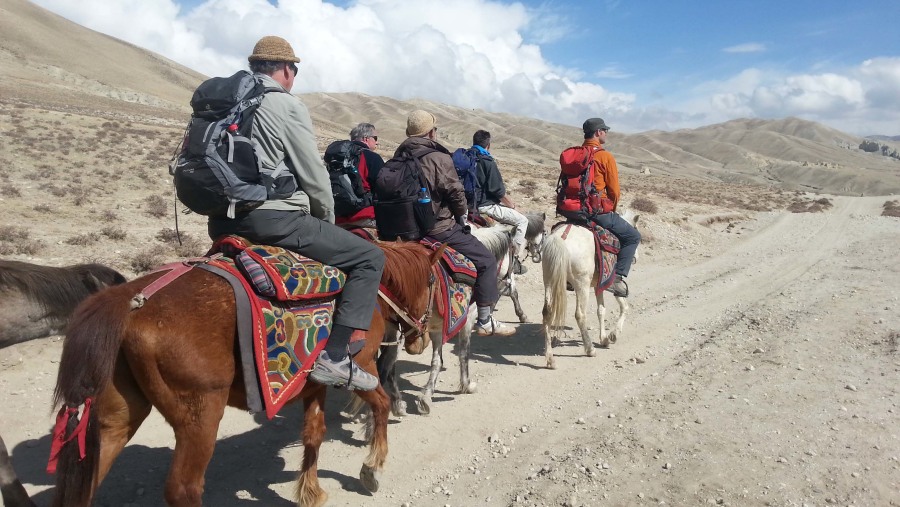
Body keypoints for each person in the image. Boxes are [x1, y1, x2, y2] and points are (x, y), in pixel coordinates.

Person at [206, 36, 383, 390]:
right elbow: (313, 175)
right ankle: (334, 357)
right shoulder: (285, 105)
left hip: (220, 220)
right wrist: (325, 220)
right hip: (273, 218)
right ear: (287, 69)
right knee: (369, 257)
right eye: (295, 70)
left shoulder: (226, 103)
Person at [396, 110, 514, 336]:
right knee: (487, 260)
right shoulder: (438, 157)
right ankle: (485, 319)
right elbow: (455, 192)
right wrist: (461, 216)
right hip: (436, 229)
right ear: (431, 132)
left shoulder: (398, 155)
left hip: (401, 229)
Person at [576, 117, 641, 297]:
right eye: (605, 130)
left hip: (573, 211)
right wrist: (611, 209)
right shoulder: (604, 156)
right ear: (598, 132)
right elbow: (614, 190)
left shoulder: (575, 154)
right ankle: (617, 279)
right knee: (633, 236)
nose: (606, 133)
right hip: (596, 211)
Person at [471, 129, 530, 274]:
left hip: (466, 205)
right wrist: (513, 206)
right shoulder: (487, 161)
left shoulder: (465, 156)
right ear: (488, 145)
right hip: (485, 206)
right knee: (523, 221)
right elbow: (498, 191)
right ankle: (514, 260)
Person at [334, 122, 384, 229]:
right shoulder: (372, 158)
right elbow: (382, 187)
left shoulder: (336, 156)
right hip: (365, 217)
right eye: (375, 138)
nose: (377, 142)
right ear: (366, 139)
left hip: (336, 218)